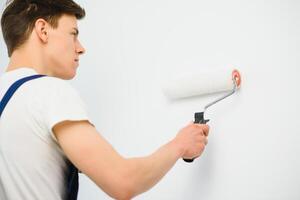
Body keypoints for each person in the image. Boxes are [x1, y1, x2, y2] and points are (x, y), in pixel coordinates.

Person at [0, 0, 210, 199]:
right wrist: (180, 145)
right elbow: (123, 182)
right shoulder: (49, 92)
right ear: (43, 30)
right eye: (73, 34)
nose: (81, 48)